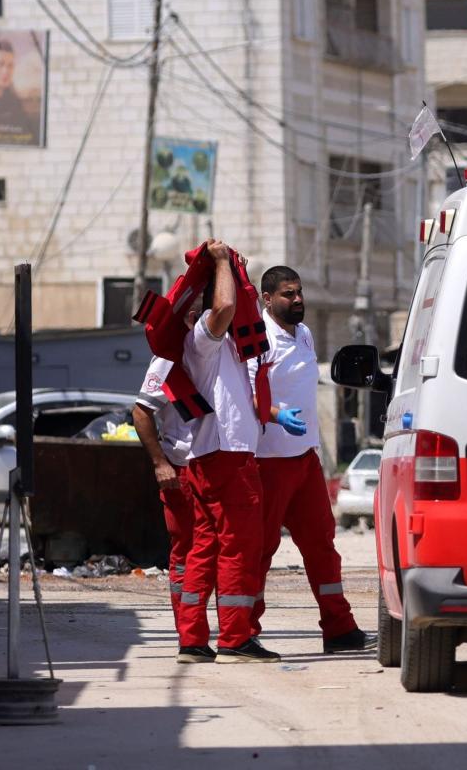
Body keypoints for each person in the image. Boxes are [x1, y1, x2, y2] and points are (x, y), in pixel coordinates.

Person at [248, 265, 374, 653]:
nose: (298, 299)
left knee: (322, 545)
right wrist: (275, 414)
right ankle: (243, 631)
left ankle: (339, 629)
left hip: (305, 459)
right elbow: (245, 396)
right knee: (261, 550)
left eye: (299, 291)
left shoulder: (303, 334)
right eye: (288, 294)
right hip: (269, 460)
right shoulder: (257, 339)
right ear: (267, 300)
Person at [178, 239, 280, 663]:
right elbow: (221, 308)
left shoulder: (232, 345)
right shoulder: (206, 335)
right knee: (241, 543)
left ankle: (193, 639)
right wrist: (222, 263)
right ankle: (236, 637)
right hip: (226, 454)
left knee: (206, 545)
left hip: (214, 454)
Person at [131, 357, 202, 662]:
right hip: (182, 469)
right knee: (187, 552)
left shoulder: (220, 349)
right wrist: (160, 463)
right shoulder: (169, 359)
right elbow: (141, 412)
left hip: (216, 465)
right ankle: (189, 632)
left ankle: (226, 633)